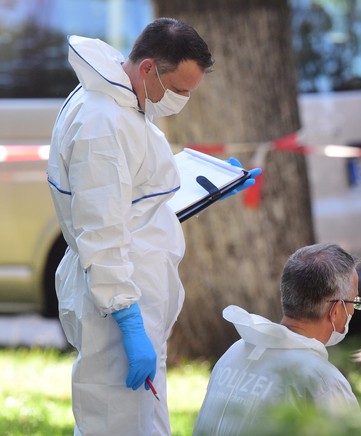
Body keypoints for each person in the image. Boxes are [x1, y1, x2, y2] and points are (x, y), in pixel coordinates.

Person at [47, 18, 259, 435]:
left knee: (142, 423)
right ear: (147, 68)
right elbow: (102, 234)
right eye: (180, 90)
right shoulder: (101, 124)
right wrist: (128, 323)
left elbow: (127, 205)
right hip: (119, 310)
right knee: (116, 424)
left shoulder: (123, 101)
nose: (182, 100)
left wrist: (199, 191)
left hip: (133, 299)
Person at [193, 243, 361, 435]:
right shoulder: (321, 380)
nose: (352, 311)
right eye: (354, 302)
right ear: (335, 311)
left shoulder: (236, 351)